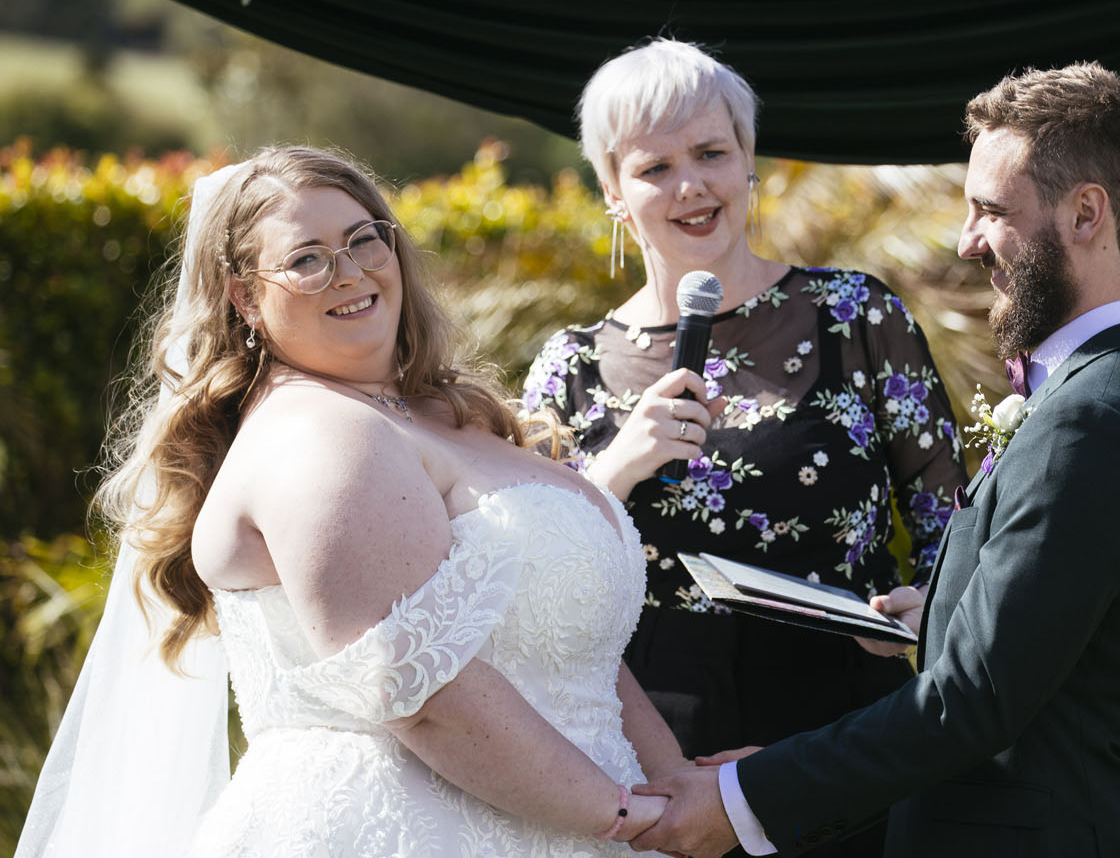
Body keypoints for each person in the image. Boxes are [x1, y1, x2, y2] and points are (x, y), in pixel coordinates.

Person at [17, 146, 688, 857]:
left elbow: (580, 653)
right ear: (244, 296)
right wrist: (627, 816)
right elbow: (425, 697)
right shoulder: (318, 435)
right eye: (307, 258)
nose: (351, 272)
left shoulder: (438, 415)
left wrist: (672, 778)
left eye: (365, 239)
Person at [628, 62, 1120, 858]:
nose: (968, 242)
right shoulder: (1119, 386)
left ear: (1086, 213)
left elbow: (975, 700)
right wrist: (933, 614)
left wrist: (741, 797)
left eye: (992, 211)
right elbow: (1034, 647)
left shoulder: (1091, 416)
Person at [522, 39, 969, 856]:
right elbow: (528, 586)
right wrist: (617, 467)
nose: (690, 185)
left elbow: (959, 531)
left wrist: (924, 611)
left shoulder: (857, 318)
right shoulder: (571, 368)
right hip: (646, 754)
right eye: (655, 167)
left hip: (839, 739)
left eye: (710, 153)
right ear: (614, 193)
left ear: (748, 161)